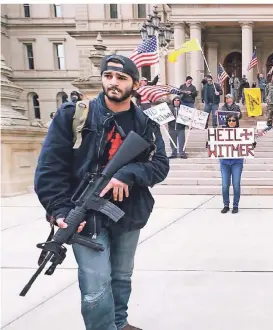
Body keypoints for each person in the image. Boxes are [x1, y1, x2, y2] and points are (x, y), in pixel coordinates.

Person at [34, 54, 170, 330]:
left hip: (128, 213)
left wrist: (127, 175)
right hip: (83, 215)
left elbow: (159, 166)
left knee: (121, 276)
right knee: (95, 285)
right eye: (108, 76)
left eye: (121, 78)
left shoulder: (146, 123)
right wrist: (59, 210)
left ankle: (119, 324)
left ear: (135, 83)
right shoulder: (73, 115)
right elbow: (49, 171)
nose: (113, 83)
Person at [218, 114, 255, 214]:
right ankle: (226, 205)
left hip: (237, 162)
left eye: (233, 120)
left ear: (236, 122)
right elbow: (215, 144)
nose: (231, 122)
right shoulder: (221, 133)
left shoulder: (241, 133)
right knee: (225, 185)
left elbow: (247, 145)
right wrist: (210, 144)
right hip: (224, 162)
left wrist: (251, 144)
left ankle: (235, 205)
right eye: (229, 120)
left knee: (236, 184)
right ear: (226, 122)